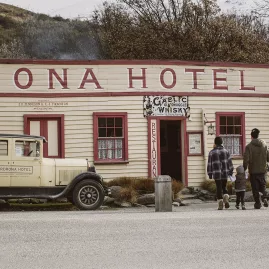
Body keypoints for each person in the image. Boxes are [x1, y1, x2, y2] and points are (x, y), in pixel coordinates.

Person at [243, 128, 269, 209]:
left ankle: (257, 203)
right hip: (263, 169)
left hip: (253, 170)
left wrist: (244, 168)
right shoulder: (264, 144)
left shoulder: (248, 147)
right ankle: (265, 197)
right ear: (258, 135)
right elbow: (268, 156)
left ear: (251, 136)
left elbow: (246, 159)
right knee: (263, 185)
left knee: (255, 188)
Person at [207, 136, 234, 210]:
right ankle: (225, 196)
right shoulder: (226, 151)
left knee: (218, 187)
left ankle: (220, 203)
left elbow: (209, 164)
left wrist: (210, 173)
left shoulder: (212, 152)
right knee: (224, 186)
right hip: (225, 172)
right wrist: (231, 171)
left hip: (216, 173)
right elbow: (230, 163)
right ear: (222, 142)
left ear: (215, 143)